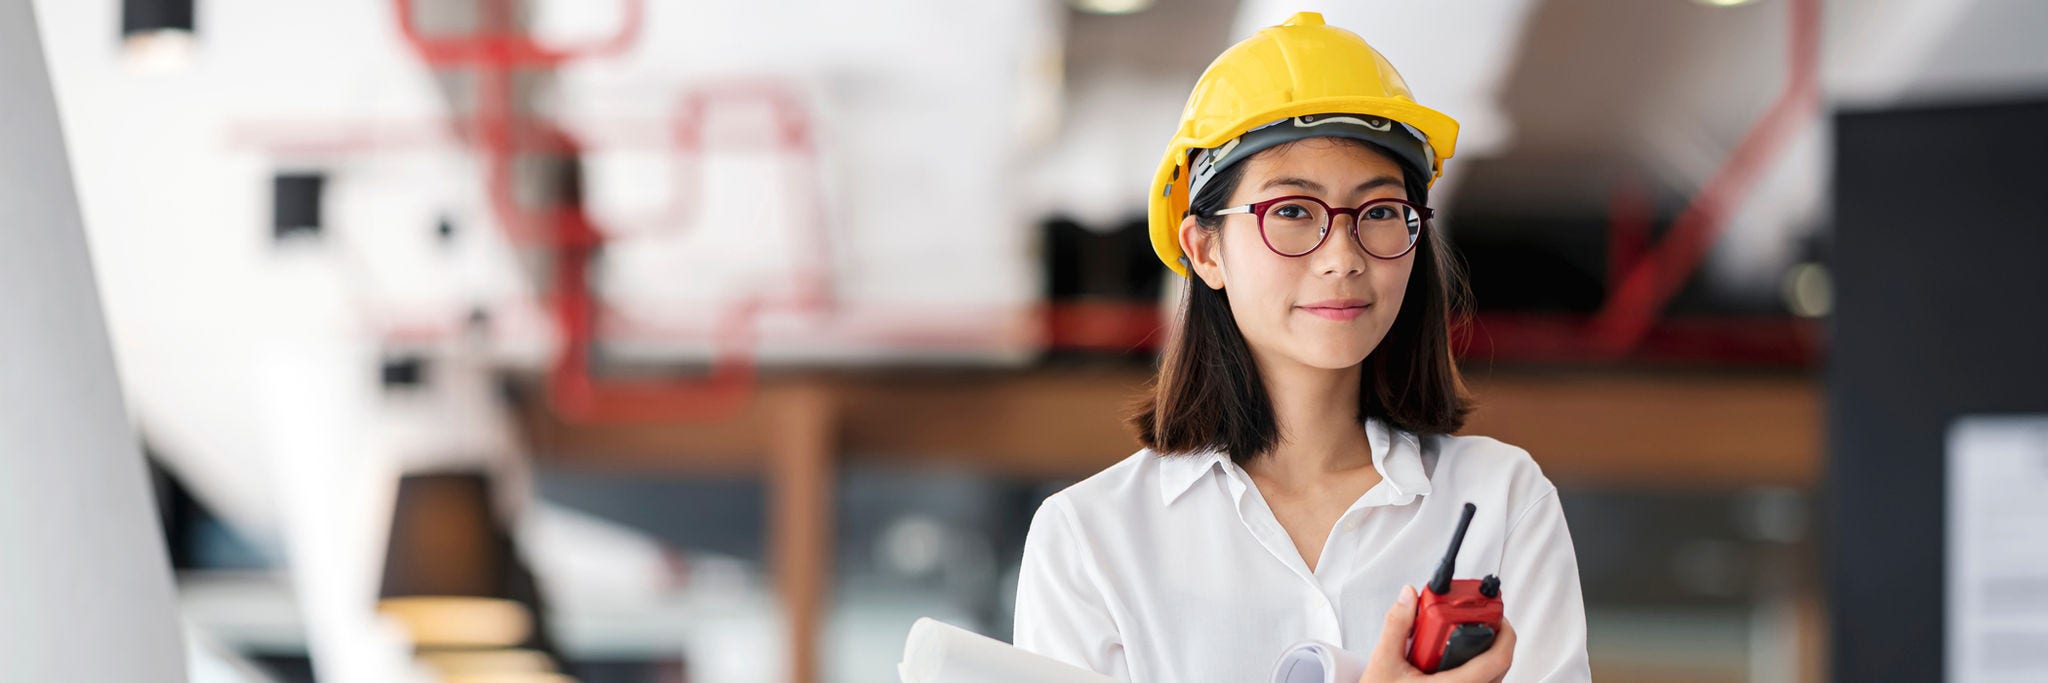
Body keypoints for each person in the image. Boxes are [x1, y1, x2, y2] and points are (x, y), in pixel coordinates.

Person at [1011, 12, 1591, 683]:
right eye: (1291, 211)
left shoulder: (1502, 499)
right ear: (1205, 248)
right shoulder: (1092, 541)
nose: (1342, 256)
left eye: (1378, 212)